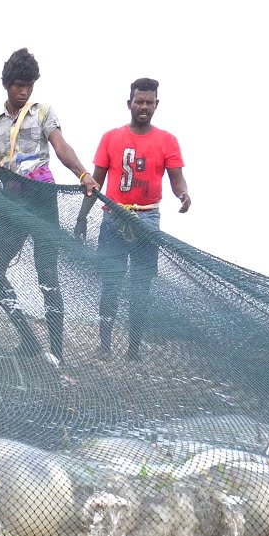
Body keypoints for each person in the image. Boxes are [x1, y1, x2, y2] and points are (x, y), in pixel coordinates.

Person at [0, 48, 98, 366]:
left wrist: (83, 174)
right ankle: (29, 340)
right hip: (10, 203)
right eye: (19, 84)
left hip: (42, 200)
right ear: (6, 83)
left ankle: (57, 353)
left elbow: (60, 146)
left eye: (29, 85)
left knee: (47, 275)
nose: (24, 91)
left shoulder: (43, 112)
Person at [74, 78, 190, 360]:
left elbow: (177, 179)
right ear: (130, 103)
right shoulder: (111, 137)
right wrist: (81, 218)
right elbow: (95, 183)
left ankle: (134, 349)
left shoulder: (168, 141)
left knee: (141, 287)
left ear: (156, 105)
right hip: (113, 216)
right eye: (139, 101)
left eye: (150, 102)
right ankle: (104, 346)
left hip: (148, 219)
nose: (144, 107)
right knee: (110, 283)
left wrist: (184, 194)